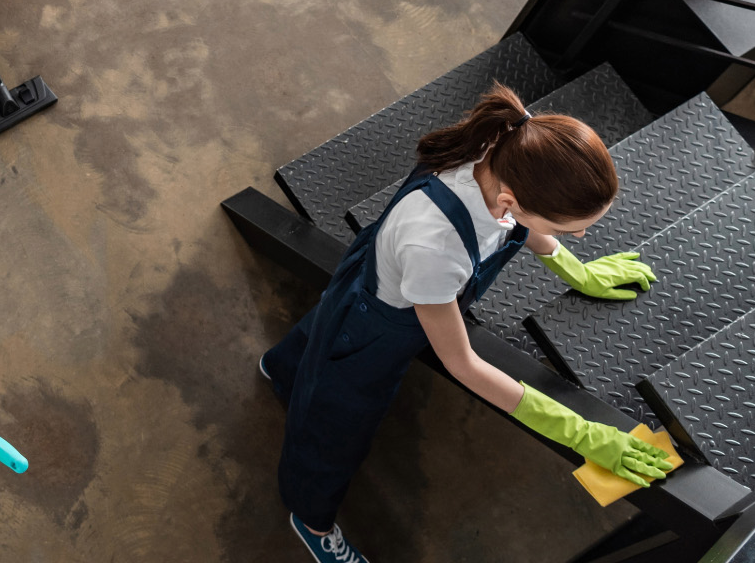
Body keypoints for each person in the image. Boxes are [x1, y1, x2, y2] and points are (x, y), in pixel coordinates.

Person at [262, 85, 673, 563]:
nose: (579, 235)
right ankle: (310, 516)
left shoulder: (511, 143)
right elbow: (463, 364)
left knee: (324, 330)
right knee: (334, 429)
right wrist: (581, 433)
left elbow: (524, 222)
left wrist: (578, 271)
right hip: (376, 329)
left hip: (384, 278)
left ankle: (282, 369)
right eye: (568, 228)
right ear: (510, 200)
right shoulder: (436, 248)